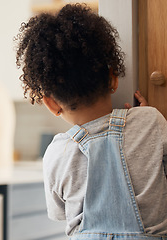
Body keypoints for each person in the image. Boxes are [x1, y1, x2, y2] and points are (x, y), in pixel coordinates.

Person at [15, 4, 167, 239]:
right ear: (113, 79)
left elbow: (59, 213)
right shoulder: (150, 121)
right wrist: (146, 119)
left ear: (51, 104)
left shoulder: (57, 153)